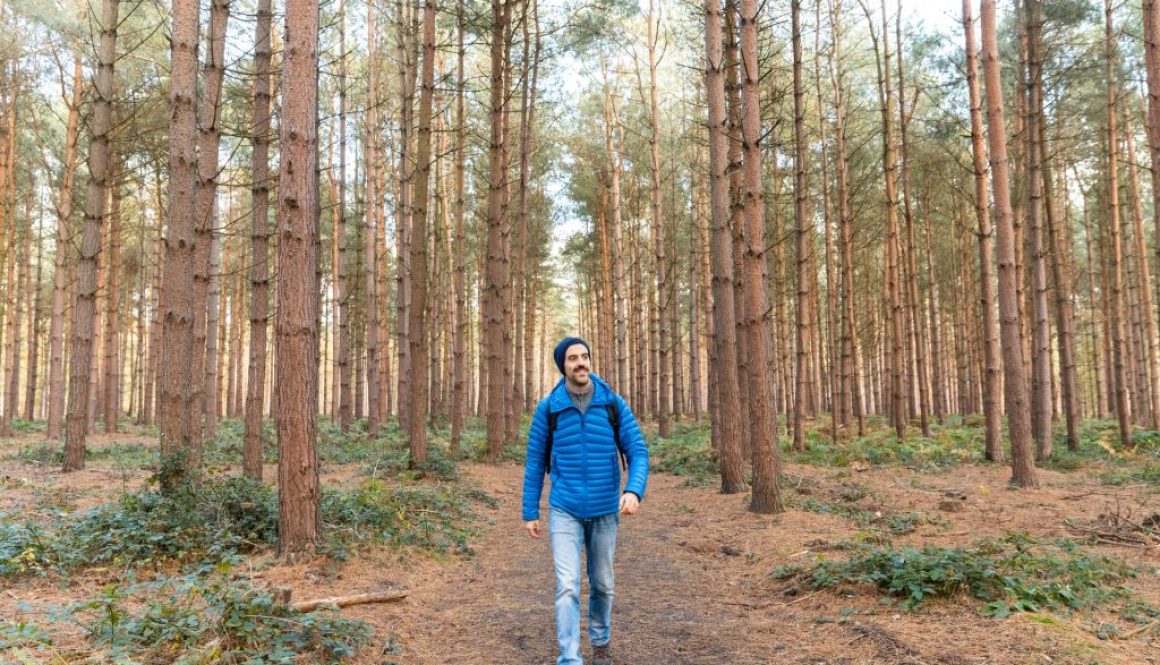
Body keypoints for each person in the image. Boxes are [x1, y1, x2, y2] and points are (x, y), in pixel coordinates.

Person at [522, 336, 649, 665]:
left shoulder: (612, 404)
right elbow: (536, 462)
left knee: (603, 584)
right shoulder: (549, 408)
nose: (581, 363)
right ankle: (569, 657)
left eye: (584, 356)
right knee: (567, 585)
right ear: (562, 366)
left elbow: (638, 452)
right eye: (573, 358)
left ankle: (601, 642)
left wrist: (633, 490)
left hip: (606, 508)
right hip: (564, 509)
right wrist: (529, 511)